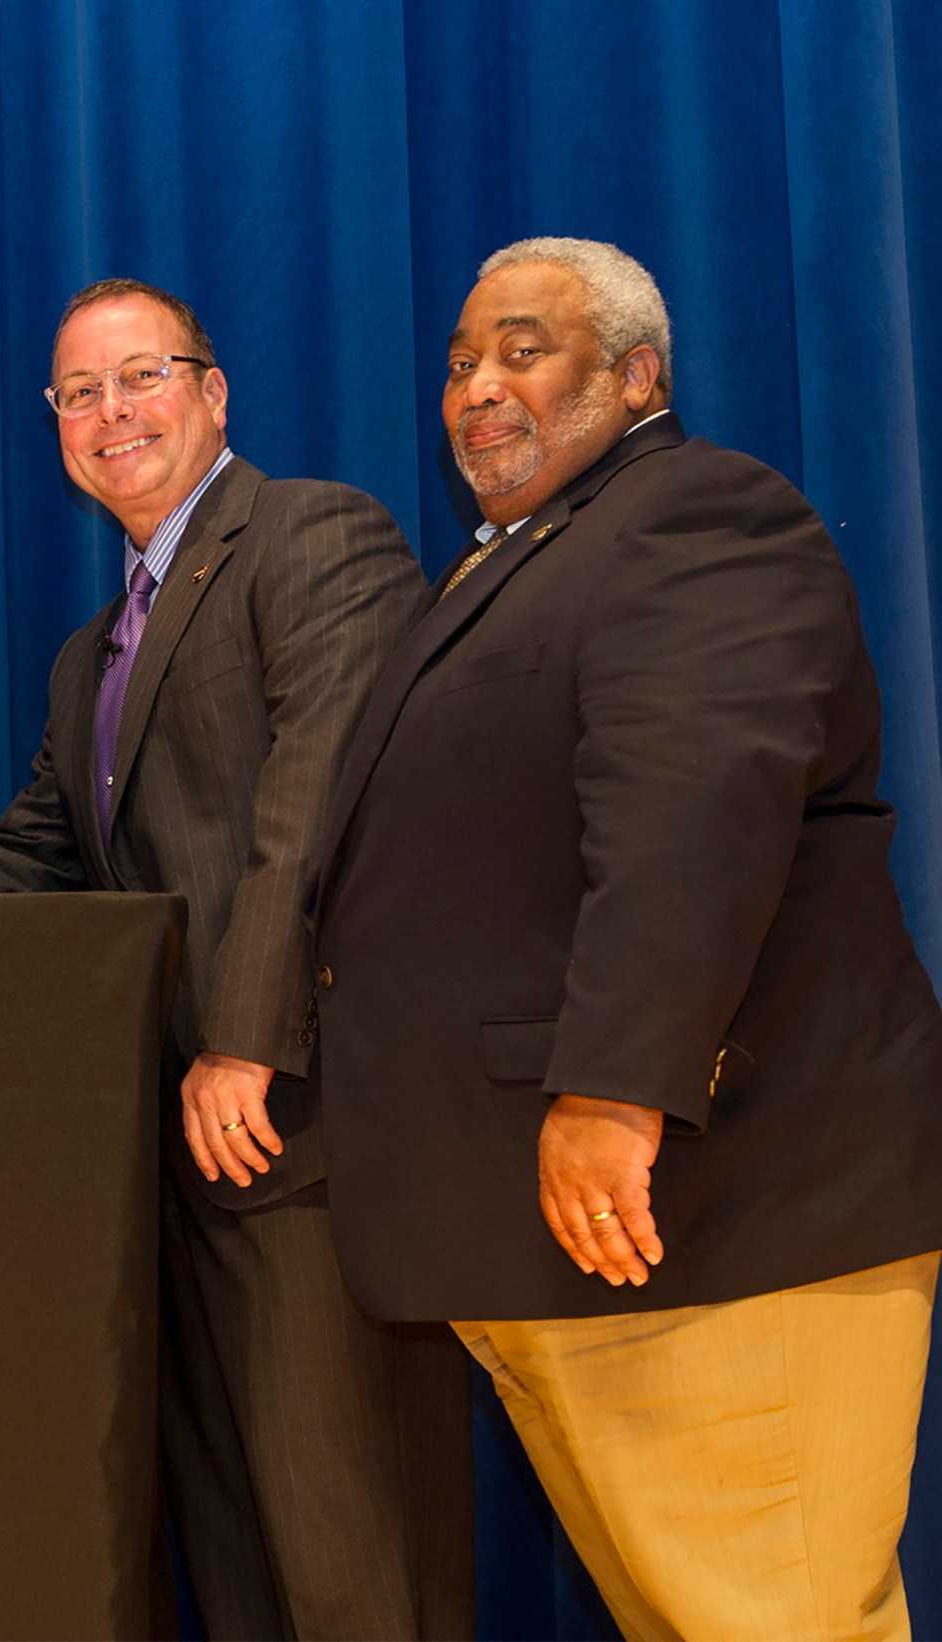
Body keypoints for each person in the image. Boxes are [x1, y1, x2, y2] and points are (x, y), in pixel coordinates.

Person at [314, 236, 942, 1640]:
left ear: (636, 372)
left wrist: (613, 1083)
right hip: (575, 1239)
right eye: (463, 358)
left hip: (716, 1213)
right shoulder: (520, 565)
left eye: (522, 348)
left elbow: (696, 812)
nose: (477, 385)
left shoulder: (699, 514)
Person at [0, 279, 472, 1639]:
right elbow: (30, 863)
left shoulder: (311, 537)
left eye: (142, 377)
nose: (112, 414)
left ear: (214, 392)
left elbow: (313, 805)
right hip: (177, 1176)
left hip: (303, 1140)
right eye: (79, 394)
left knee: (349, 1559)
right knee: (237, 1564)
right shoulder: (89, 657)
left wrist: (245, 1036)